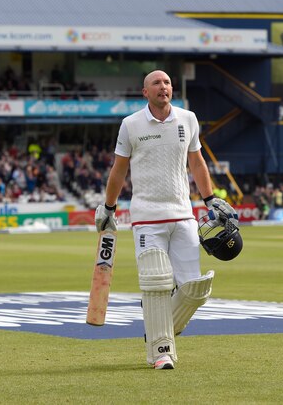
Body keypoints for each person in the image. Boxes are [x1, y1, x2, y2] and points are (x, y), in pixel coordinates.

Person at [94, 70, 237, 370]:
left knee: (193, 289)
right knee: (157, 283)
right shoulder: (131, 125)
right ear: (145, 92)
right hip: (147, 218)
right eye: (156, 83)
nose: (164, 87)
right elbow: (119, 170)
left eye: (168, 83)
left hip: (184, 215)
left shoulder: (188, 119)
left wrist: (210, 199)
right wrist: (108, 207)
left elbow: (196, 162)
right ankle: (161, 352)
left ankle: (157, 328)